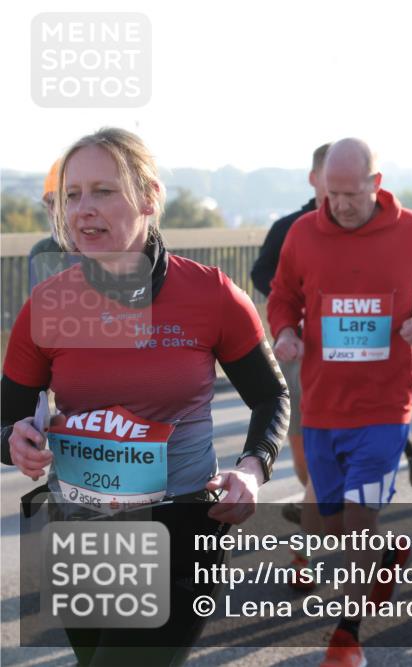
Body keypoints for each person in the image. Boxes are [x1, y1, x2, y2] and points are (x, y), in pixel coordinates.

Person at [1, 127, 289, 665]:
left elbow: (271, 397)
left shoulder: (211, 293)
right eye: (72, 194)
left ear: (149, 197)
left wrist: (252, 470)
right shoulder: (47, 304)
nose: (83, 209)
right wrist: (15, 441)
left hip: (180, 527)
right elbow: (7, 421)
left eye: (104, 191)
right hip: (80, 530)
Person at [267, 138, 412, 667]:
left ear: (377, 183)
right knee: (326, 518)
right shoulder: (304, 233)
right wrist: (284, 331)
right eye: (333, 193)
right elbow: (283, 296)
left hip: (385, 405)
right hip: (324, 402)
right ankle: (386, 555)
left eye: (352, 193)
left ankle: (345, 638)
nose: (341, 205)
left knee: (355, 520)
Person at [252, 142, 327, 540]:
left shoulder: (372, 230)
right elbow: (261, 272)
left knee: (353, 438)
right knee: (301, 438)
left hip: (353, 355)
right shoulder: (290, 227)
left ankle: (318, 523)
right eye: (332, 180)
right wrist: (291, 304)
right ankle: (314, 495)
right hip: (299, 346)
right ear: (315, 178)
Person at [28, 159, 81, 288]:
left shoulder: (101, 245)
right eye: (51, 202)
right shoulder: (40, 251)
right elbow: (38, 302)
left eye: (64, 201)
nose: (57, 211)